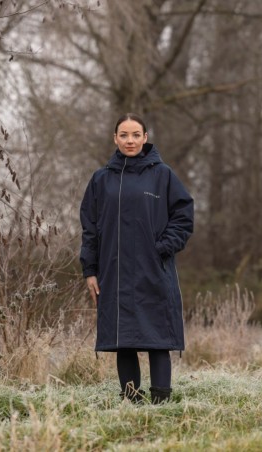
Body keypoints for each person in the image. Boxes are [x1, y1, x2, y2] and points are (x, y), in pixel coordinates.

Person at [79, 113, 194, 404]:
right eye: (124, 135)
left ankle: (161, 402)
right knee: (124, 339)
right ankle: (131, 401)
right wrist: (90, 270)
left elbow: (183, 217)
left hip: (154, 269)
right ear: (115, 138)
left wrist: (162, 248)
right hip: (113, 272)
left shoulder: (163, 175)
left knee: (158, 337)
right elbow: (90, 228)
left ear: (145, 137)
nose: (129, 140)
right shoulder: (101, 180)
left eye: (135, 135)